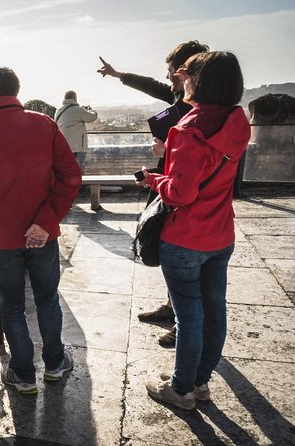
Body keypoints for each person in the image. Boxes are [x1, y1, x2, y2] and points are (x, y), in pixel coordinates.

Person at [0, 66, 82, 395]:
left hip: (2, 240)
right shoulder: (44, 125)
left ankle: (23, 374)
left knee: (12, 306)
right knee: (47, 299)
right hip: (43, 235)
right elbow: (69, 177)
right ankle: (54, 363)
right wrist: (46, 221)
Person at [136, 51, 250, 409]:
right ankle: (200, 383)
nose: (181, 80)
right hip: (221, 235)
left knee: (189, 318)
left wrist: (154, 179)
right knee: (215, 313)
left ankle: (181, 389)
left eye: (187, 75)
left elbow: (181, 193)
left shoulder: (187, 131)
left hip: (185, 239)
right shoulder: (237, 121)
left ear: (197, 81)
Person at [98, 41, 209, 347]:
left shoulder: (199, 107)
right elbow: (151, 85)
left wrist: (166, 150)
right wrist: (119, 74)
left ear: (186, 71)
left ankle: (182, 323)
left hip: (182, 190)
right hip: (170, 179)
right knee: (169, 247)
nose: (169, 75)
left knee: (182, 254)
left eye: (173, 70)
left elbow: (196, 157)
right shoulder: (183, 97)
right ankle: (173, 308)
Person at [54, 91, 98, 172]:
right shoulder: (78, 110)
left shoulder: (59, 110)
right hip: (76, 148)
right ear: (75, 98)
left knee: (65, 172)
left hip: (63, 147)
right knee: (77, 171)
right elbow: (91, 118)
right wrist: (93, 111)